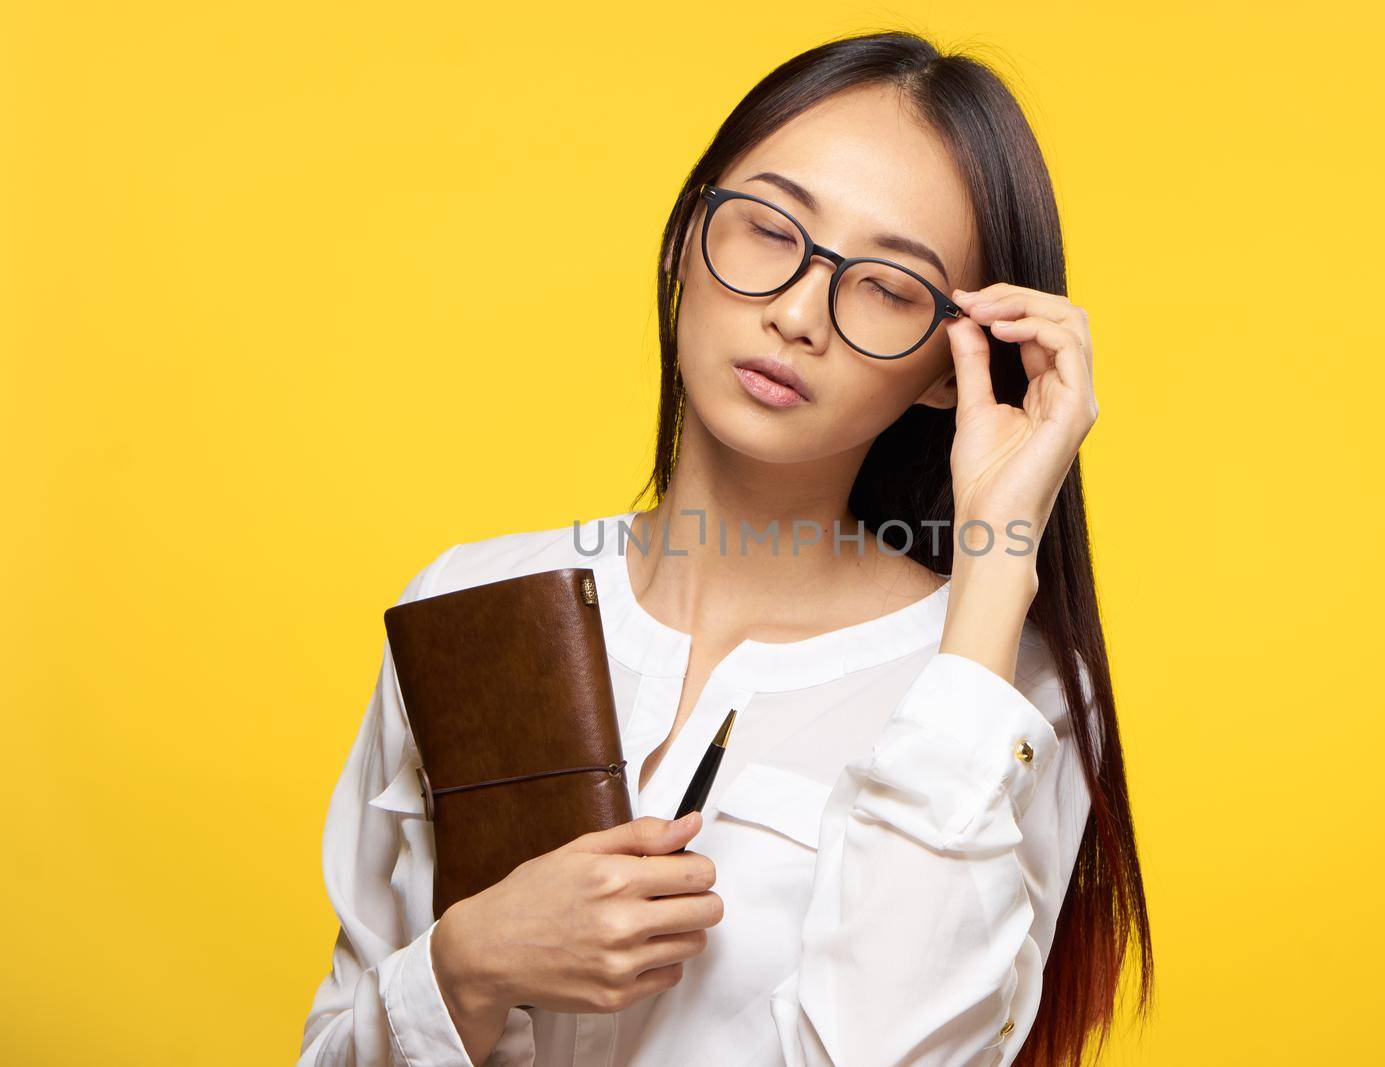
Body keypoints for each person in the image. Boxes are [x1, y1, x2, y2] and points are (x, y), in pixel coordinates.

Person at [298, 29, 1153, 1067]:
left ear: (948, 368)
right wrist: (470, 965)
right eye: (767, 229)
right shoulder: (472, 601)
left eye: (887, 286)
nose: (797, 313)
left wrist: (996, 567)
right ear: (682, 241)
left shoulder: (1004, 685)